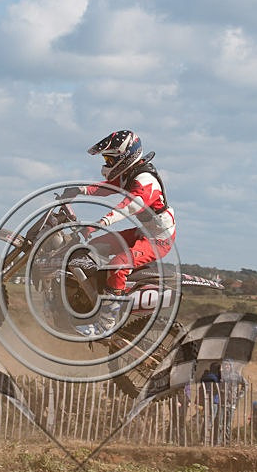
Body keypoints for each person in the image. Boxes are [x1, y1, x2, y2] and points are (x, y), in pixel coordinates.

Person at [65, 130, 176, 336]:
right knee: (94, 248)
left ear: (125, 157)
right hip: (142, 232)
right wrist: (78, 190)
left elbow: (130, 206)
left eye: (109, 158)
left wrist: (103, 221)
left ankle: (106, 324)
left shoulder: (145, 180)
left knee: (119, 264)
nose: (106, 163)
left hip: (159, 240)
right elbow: (107, 188)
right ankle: (92, 300)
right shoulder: (129, 174)